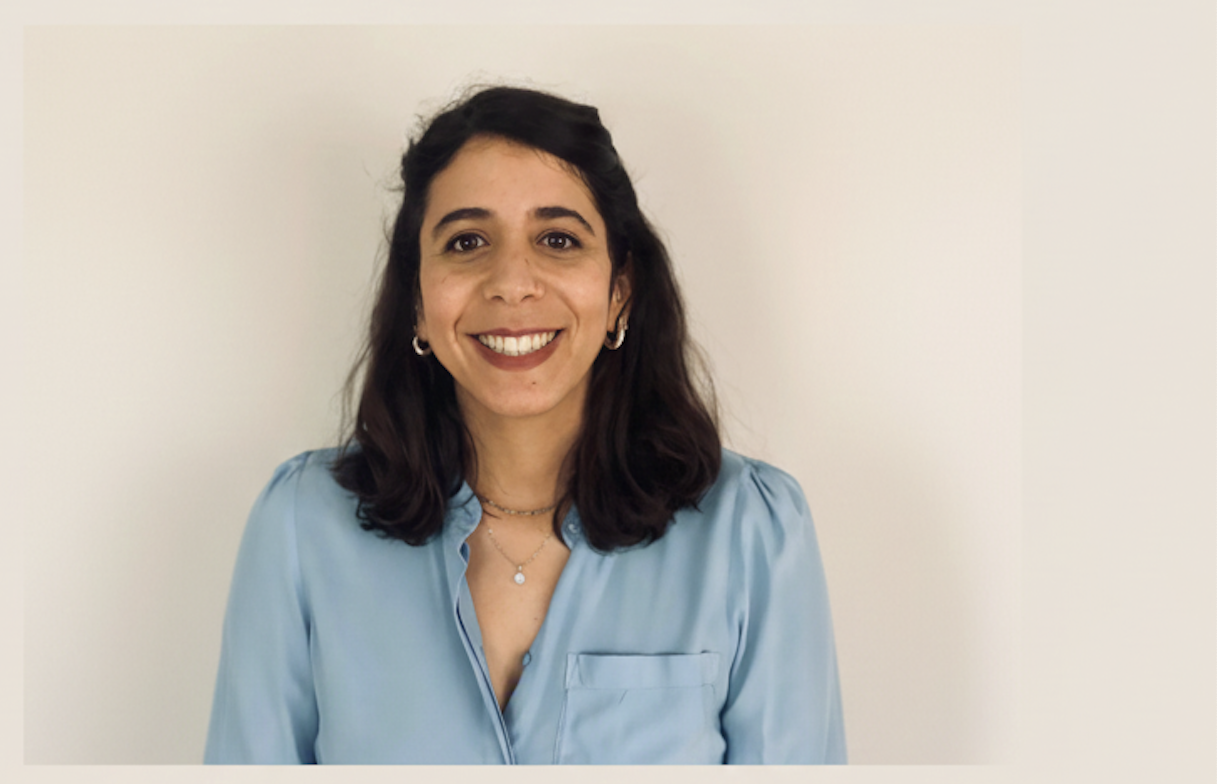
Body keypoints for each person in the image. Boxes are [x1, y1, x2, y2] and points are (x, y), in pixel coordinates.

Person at [204, 86, 846, 764]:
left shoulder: (752, 535)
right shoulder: (302, 529)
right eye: (468, 241)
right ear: (417, 300)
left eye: (558, 239)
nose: (512, 282)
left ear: (619, 291)